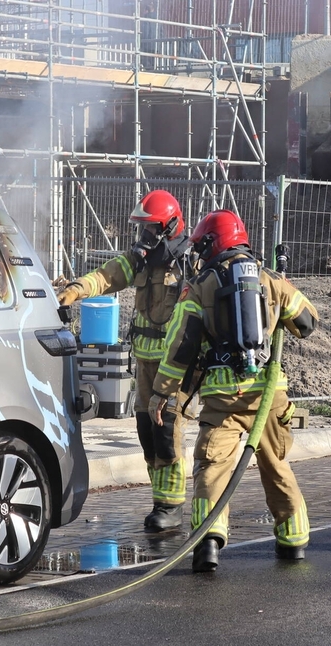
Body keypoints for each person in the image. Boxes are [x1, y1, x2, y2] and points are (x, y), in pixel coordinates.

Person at [149, 209, 319, 572]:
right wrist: (279, 300)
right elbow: (307, 323)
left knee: (212, 469)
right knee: (276, 465)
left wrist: (161, 392)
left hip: (222, 401)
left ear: (213, 244)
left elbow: (180, 346)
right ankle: (293, 542)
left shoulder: (199, 287)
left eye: (201, 246)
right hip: (269, 398)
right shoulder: (269, 279)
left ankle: (207, 544)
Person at [57, 189, 196, 532]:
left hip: (174, 368)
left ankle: (171, 506)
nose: (143, 237)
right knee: (147, 432)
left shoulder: (189, 265)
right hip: (145, 366)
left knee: (167, 433)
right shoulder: (142, 260)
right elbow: (107, 276)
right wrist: (75, 289)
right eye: (141, 229)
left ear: (169, 227)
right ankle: (159, 499)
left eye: (150, 229)